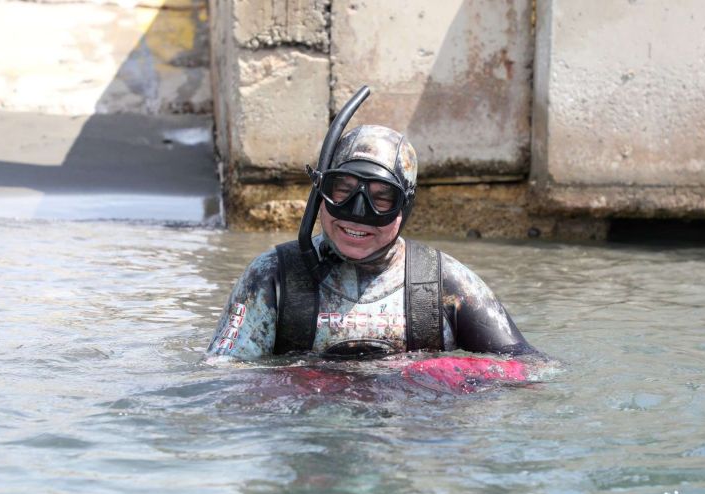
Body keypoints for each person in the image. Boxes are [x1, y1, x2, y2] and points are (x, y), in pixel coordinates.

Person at [206, 87, 544, 364]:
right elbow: (221, 379)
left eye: (381, 199)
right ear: (320, 193)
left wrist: (447, 377)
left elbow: (530, 371)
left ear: (405, 208)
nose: (357, 213)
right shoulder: (272, 277)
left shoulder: (444, 284)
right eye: (343, 190)